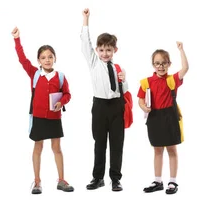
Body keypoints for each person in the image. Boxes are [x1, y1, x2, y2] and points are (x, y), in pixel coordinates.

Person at [12, 27, 75, 194]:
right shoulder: (34, 74)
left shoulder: (60, 76)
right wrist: (17, 40)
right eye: (43, 58)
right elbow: (22, 59)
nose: (47, 60)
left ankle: (61, 180)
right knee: (38, 147)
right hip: (38, 117)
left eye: (50, 57)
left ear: (54, 58)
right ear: (38, 60)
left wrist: (61, 102)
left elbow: (68, 94)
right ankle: (37, 182)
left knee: (57, 148)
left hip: (54, 117)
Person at [81, 8, 128, 192]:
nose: (105, 53)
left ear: (114, 50)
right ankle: (97, 177)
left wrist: (123, 79)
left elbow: (124, 92)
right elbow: (86, 42)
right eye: (101, 50)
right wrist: (86, 20)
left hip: (117, 106)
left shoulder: (117, 67)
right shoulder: (93, 62)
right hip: (100, 106)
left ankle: (115, 178)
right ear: (97, 50)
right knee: (99, 142)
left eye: (108, 50)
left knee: (117, 144)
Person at [138, 42, 188, 195]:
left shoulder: (171, 79)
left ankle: (172, 181)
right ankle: (158, 181)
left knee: (172, 150)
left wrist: (181, 50)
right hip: (154, 118)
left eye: (163, 63)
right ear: (153, 64)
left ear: (169, 64)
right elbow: (140, 99)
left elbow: (185, 68)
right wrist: (144, 107)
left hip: (170, 117)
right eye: (157, 63)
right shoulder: (146, 82)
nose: (160, 66)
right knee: (157, 150)